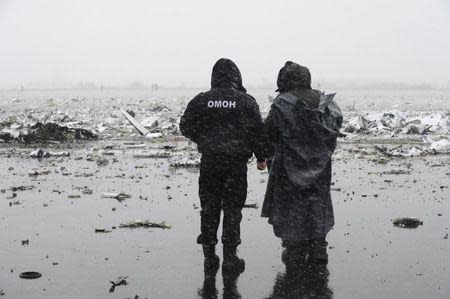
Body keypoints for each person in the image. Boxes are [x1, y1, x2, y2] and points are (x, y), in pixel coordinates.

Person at [180, 58, 268, 272]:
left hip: (210, 163)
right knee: (232, 210)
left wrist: (204, 137)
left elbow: (185, 126)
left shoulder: (202, 100)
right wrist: (261, 157)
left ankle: (209, 257)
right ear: (236, 77)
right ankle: (230, 258)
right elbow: (258, 131)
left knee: (209, 209)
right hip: (236, 165)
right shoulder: (246, 101)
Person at [261, 61, 343, 265]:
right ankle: (318, 248)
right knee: (318, 205)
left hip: (290, 165)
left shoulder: (282, 103)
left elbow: (269, 132)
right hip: (320, 165)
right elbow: (334, 128)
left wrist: (269, 153)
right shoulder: (326, 103)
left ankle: (295, 248)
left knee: (292, 207)